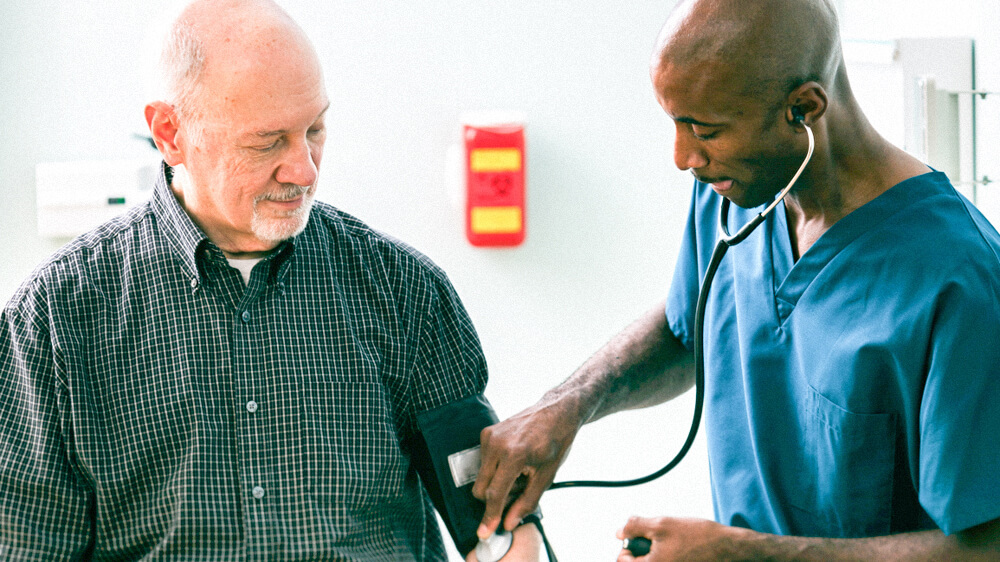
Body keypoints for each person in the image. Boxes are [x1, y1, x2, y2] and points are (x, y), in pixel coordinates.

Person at [0, 1, 540, 560]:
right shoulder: (53, 323)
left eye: (315, 129)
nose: (304, 170)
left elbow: (498, 527)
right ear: (170, 133)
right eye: (267, 142)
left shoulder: (404, 291)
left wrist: (511, 543)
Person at [472, 0, 1000, 559]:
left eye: (705, 129)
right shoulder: (737, 190)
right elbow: (689, 328)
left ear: (803, 108)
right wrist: (569, 406)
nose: (682, 157)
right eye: (675, 122)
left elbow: (985, 546)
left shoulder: (958, 282)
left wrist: (744, 554)